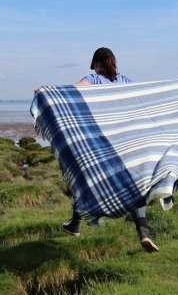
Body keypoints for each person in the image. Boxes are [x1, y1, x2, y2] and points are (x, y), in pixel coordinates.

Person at [62, 47, 159, 252]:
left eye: (95, 66)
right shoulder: (125, 81)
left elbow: (73, 91)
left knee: (85, 178)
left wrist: (46, 92)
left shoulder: (93, 79)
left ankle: (75, 223)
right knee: (134, 185)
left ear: (97, 64)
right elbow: (146, 93)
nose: (94, 70)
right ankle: (144, 234)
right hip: (127, 143)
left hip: (101, 143)